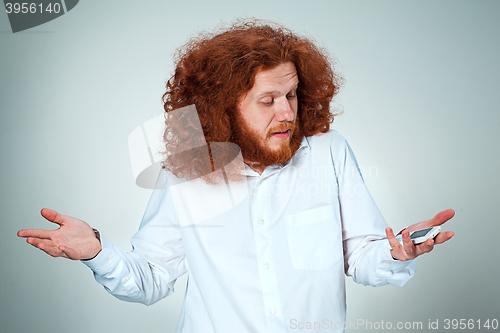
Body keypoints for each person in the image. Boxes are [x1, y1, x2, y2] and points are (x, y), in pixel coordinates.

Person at [18, 20, 455, 333]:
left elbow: (361, 256)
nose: (287, 112)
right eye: (268, 101)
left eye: (291, 95)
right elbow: (151, 278)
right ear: (224, 108)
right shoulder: (188, 170)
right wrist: (97, 251)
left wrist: (397, 253)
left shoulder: (328, 152)